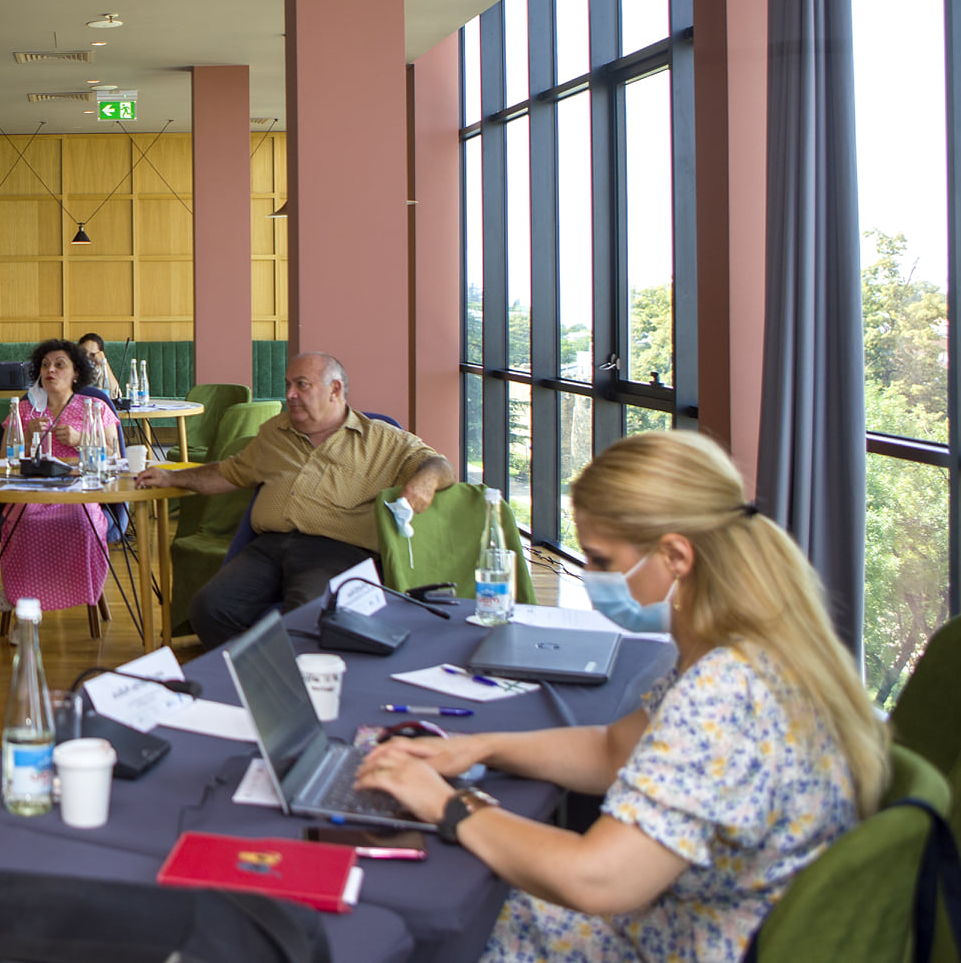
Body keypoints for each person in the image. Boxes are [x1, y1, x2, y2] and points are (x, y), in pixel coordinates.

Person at [354, 430, 884, 963]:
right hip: (705, 921)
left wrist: (447, 805)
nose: (590, 576)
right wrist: (478, 747)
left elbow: (599, 879)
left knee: (450, 925)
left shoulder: (724, 690)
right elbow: (613, 749)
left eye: (602, 560)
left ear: (675, 556)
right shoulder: (748, 647)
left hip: (700, 943)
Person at [136, 351, 453, 649]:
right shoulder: (275, 432)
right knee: (209, 610)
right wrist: (171, 477)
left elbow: (439, 464)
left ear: (334, 390)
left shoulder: (380, 439)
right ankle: (262, 673)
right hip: (268, 547)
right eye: (288, 384)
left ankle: (295, 677)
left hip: (336, 551)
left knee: (308, 617)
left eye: (301, 385)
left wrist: (426, 481)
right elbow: (228, 472)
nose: (290, 394)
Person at [0, 338, 123, 619]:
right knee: (26, 520)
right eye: (45, 365)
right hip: (30, 493)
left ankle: (80, 590)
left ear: (76, 373)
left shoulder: (95, 407)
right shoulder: (24, 410)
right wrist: (26, 435)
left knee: (82, 521)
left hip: (81, 493)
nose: (50, 370)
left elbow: (114, 455)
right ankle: (22, 602)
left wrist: (81, 439)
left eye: (60, 364)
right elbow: (2, 460)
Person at [77, 333, 123, 400]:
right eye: (83, 353)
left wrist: (104, 362)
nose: (86, 357)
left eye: (92, 355)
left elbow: (115, 395)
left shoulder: (101, 370)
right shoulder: (72, 370)